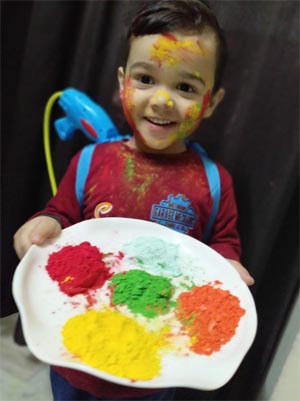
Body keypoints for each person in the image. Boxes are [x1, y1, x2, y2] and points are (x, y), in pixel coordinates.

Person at [13, 0, 255, 400]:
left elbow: (223, 242)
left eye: (185, 87)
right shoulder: (91, 162)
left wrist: (228, 264)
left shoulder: (214, 181)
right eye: (146, 79)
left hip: (157, 358)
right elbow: (61, 214)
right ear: (122, 81)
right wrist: (45, 223)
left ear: (210, 102)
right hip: (76, 349)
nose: (161, 100)